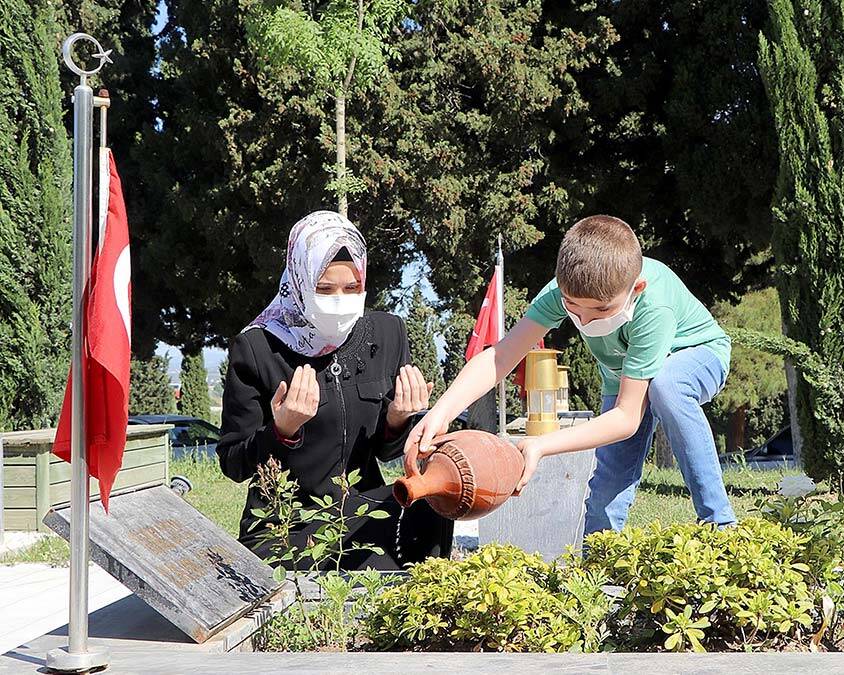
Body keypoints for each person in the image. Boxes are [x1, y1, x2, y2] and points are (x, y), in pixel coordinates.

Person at [408, 215, 736, 535]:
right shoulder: (560, 293)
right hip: (623, 377)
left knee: (666, 386)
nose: (586, 320)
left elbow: (626, 418)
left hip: (698, 356)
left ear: (636, 289)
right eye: (573, 308)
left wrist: (541, 445)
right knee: (607, 488)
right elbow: (500, 357)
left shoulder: (654, 307)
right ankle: (597, 560)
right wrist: (442, 411)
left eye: (602, 310)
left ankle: (719, 525)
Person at [218, 211, 452, 570]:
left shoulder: (387, 333)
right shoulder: (258, 347)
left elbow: (386, 451)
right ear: (299, 280)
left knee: (436, 504)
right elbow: (233, 463)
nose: (340, 300)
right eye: (324, 289)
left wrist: (397, 419)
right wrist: (281, 431)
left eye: (352, 288)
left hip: (364, 513)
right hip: (287, 525)